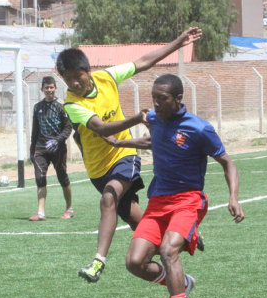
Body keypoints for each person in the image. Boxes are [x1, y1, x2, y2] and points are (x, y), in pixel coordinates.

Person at [105, 73, 245, 298]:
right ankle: (183, 284)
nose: (156, 104)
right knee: (134, 263)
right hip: (158, 202)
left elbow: (228, 163)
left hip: (188, 200)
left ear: (179, 99)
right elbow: (151, 141)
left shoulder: (199, 128)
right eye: (154, 98)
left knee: (169, 250)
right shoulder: (155, 121)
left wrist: (234, 197)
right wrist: (119, 143)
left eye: (162, 98)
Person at [56, 27, 203, 283]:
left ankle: (97, 262)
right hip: (97, 170)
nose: (75, 84)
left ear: (87, 70)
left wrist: (177, 42)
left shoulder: (106, 78)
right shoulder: (71, 104)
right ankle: (180, 279)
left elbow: (143, 62)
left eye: (78, 76)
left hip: (124, 154)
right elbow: (100, 128)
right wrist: (135, 117)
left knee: (108, 198)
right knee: (144, 230)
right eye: (68, 80)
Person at [29, 76, 74, 221]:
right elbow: (35, 130)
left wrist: (58, 140)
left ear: (55, 88)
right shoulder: (37, 107)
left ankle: (69, 208)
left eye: (51, 87)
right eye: (46, 88)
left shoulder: (62, 106)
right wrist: (32, 150)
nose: (49, 90)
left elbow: (68, 128)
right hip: (41, 148)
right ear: (42, 89)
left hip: (58, 148)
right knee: (40, 178)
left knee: (62, 177)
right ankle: (41, 212)